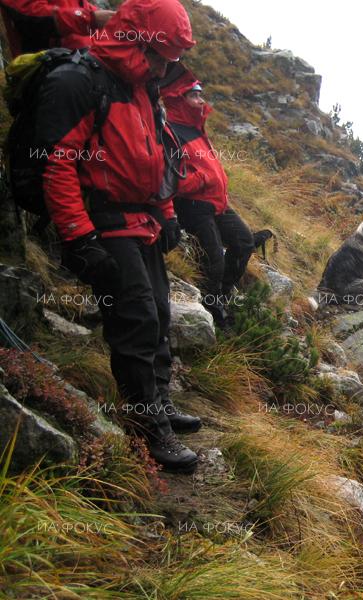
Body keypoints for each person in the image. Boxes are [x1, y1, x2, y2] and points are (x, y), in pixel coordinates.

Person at [32, 0, 201, 473]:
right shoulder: (80, 81)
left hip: (142, 220)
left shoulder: (142, 86)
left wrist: (166, 213)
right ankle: (149, 430)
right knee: (136, 320)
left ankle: (159, 402)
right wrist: (78, 237)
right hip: (101, 220)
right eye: (161, 55)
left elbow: (157, 157)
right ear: (136, 40)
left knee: (160, 313)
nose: (167, 66)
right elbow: (58, 164)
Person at [160, 65, 271, 326]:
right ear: (179, 98)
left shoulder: (196, 127)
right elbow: (170, 180)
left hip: (217, 203)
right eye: (195, 95)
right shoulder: (170, 131)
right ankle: (209, 310)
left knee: (244, 242)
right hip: (194, 206)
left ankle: (219, 295)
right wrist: (207, 178)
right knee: (214, 263)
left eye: (201, 94)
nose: (201, 100)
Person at [0, 0, 114, 58]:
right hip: (49, 68)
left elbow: (86, 11)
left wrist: (118, 23)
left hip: (83, 62)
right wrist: (89, 19)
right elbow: (32, 18)